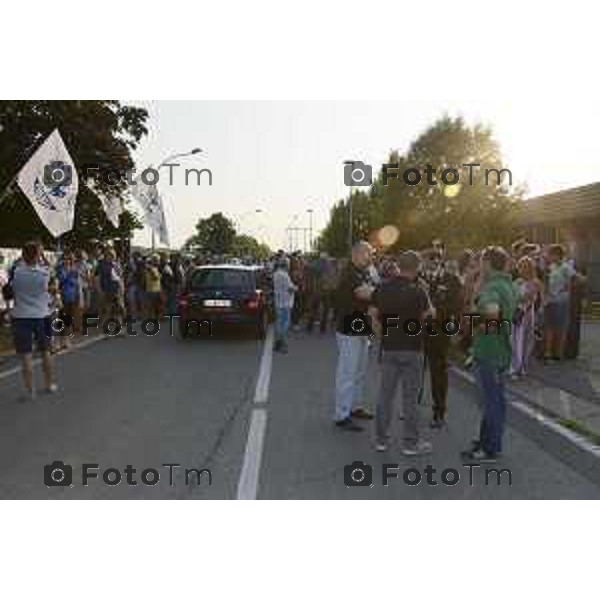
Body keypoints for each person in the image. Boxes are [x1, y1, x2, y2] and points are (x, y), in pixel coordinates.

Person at [369, 251, 434, 454]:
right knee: (410, 398)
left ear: (398, 265)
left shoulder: (381, 288)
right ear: (417, 268)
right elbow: (429, 316)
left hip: (389, 347)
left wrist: (382, 336)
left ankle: (381, 440)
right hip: (413, 348)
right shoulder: (419, 291)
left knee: (385, 395)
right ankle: (410, 443)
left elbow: (372, 316)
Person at [461, 246, 517, 463]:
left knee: (490, 401)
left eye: (481, 261)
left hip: (488, 350)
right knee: (496, 399)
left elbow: (491, 319)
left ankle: (490, 448)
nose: (478, 266)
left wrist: (475, 325)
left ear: (487, 264)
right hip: (501, 350)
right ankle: (487, 442)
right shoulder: (507, 283)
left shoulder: (493, 287)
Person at [333, 241, 377, 432]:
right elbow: (363, 293)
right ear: (357, 254)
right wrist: (390, 292)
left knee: (359, 371)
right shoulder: (349, 272)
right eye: (368, 254)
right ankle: (341, 414)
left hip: (362, 329)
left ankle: (355, 406)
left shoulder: (364, 271)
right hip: (349, 329)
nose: (371, 257)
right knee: (347, 373)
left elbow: (373, 287)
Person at [421, 247, 463, 428]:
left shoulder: (451, 280)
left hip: (439, 332)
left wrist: (453, 328)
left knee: (438, 373)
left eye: (436, 259)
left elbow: (456, 306)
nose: (433, 262)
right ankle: (411, 405)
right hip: (416, 330)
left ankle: (439, 411)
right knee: (414, 369)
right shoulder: (416, 278)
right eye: (430, 259)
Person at [10, 241, 57, 402]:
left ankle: (30, 391)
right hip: (41, 315)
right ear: (38, 255)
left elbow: (10, 288)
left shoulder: (16, 271)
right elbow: (51, 276)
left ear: (23, 255)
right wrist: (43, 257)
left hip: (20, 316)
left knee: (26, 355)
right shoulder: (45, 273)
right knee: (45, 352)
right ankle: (49, 384)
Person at [543, 244, 581, 361]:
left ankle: (559, 353)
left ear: (556, 255)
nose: (548, 256)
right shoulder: (552, 267)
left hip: (561, 301)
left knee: (560, 327)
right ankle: (548, 352)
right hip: (550, 300)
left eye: (550, 254)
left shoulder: (566, 267)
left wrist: (567, 288)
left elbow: (577, 278)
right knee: (549, 326)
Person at [510, 256, 543, 377]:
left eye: (526, 267)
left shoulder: (535, 282)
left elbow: (534, 297)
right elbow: (515, 298)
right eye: (521, 267)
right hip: (517, 312)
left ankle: (523, 365)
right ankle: (515, 367)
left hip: (529, 313)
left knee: (528, 340)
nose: (523, 270)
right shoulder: (516, 282)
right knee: (516, 339)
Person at [273, 257, 297, 353]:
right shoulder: (284, 275)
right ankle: (281, 343)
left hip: (279, 301)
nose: (289, 266)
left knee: (279, 323)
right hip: (286, 302)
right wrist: (296, 288)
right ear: (286, 265)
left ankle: (278, 344)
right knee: (284, 324)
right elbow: (290, 288)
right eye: (289, 264)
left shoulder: (276, 274)